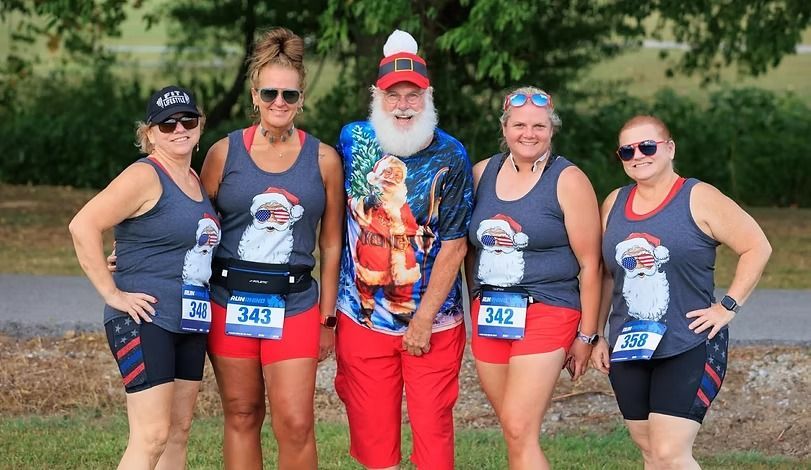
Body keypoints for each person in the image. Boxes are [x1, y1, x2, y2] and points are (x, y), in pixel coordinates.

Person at [198, 27, 344, 470]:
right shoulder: (224, 154)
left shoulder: (323, 160)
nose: (279, 102)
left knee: (295, 421)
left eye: (289, 94)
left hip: (295, 304)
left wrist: (329, 316)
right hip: (229, 302)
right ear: (255, 96)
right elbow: (195, 226)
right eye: (270, 93)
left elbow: (332, 242)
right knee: (242, 413)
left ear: (301, 99)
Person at [590, 115, 772, 469]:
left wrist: (728, 307)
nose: (638, 156)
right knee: (650, 452)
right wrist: (597, 334)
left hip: (689, 342)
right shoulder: (614, 202)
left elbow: (757, 246)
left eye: (647, 146)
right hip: (630, 346)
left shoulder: (699, 197)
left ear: (670, 148)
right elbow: (606, 274)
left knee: (670, 454)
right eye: (627, 151)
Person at [334, 30, 473, 470]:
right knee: (374, 441)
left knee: (433, 437)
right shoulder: (353, 141)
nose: (403, 105)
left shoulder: (450, 155)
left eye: (413, 95)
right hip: (362, 318)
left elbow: (454, 244)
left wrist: (424, 320)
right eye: (394, 95)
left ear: (428, 96)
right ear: (377, 96)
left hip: (433, 323)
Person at [70, 85, 217, 469]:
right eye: (167, 124)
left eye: (187, 120)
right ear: (149, 133)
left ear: (199, 125)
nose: (179, 129)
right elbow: (83, 225)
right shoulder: (145, 175)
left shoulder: (195, 180)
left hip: (190, 318)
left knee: (178, 431)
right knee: (151, 435)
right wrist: (112, 293)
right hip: (145, 319)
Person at [465, 86, 602, 469]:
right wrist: (474, 297)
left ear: (552, 129)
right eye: (520, 125)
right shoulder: (481, 174)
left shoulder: (568, 179)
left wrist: (586, 335)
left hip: (547, 310)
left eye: (539, 126)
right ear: (505, 128)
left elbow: (591, 264)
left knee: (519, 424)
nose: (529, 133)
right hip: (490, 313)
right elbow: (469, 247)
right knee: (513, 429)